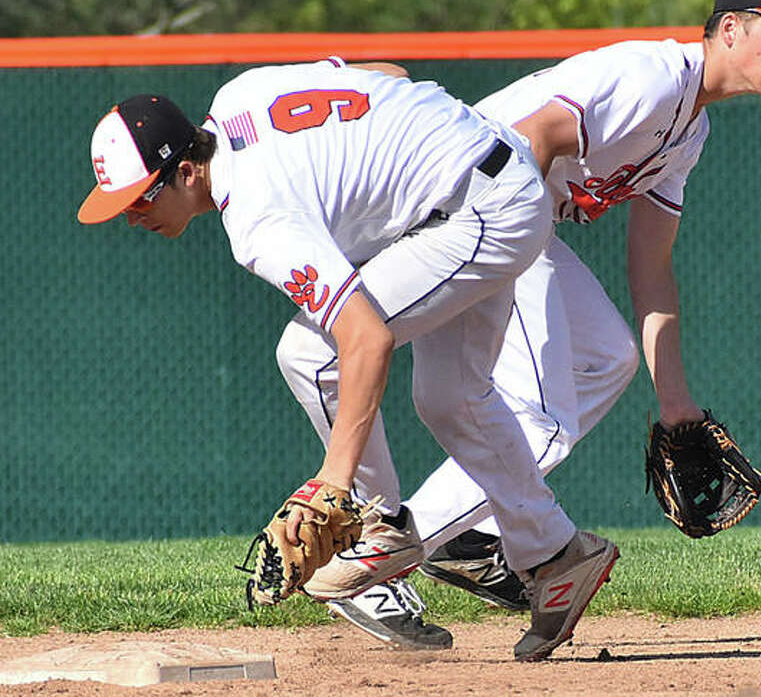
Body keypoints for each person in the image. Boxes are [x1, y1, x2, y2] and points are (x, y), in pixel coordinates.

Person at [316, 0, 761, 644]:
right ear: (732, 28)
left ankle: (472, 533)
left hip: (500, 211)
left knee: (606, 358)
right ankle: (385, 554)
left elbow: (651, 266)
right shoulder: (653, 80)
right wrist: (502, 255)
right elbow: (535, 138)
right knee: (541, 421)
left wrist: (676, 401)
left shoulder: (691, 131)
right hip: (472, 203)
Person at [76, 58, 619, 663]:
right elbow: (385, 70)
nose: (131, 216)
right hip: (487, 175)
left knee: (310, 353)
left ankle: (379, 522)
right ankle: (557, 556)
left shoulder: (256, 217)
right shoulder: (240, 95)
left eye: (137, 198)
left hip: (481, 210)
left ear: (183, 171)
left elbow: (365, 341)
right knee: (450, 397)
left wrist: (335, 484)